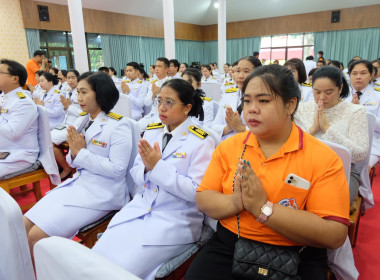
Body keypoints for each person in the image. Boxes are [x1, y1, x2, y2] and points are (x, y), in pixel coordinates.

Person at [186, 64, 349, 280]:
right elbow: (204, 199)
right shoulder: (229, 147)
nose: (252, 108)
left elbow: (334, 234)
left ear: (290, 105)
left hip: (295, 251)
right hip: (230, 244)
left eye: (263, 100)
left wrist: (263, 208)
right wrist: (237, 202)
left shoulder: (323, 157)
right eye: (247, 101)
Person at [92, 79, 216, 279]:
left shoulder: (202, 141)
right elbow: (135, 172)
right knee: (97, 258)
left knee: (123, 269)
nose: (161, 108)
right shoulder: (153, 130)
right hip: (140, 209)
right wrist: (149, 169)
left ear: (187, 108)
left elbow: (197, 192)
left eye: (169, 102)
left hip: (176, 219)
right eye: (159, 101)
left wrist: (157, 167)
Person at [24, 72, 134, 259]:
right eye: (78, 92)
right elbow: (73, 160)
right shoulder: (84, 119)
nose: (78, 98)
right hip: (80, 184)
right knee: (24, 223)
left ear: (100, 94)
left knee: (36, 238)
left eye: (83, 92)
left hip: (103, 191)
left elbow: (117, 170)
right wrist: (76, 154)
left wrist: (80, 153)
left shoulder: (119, 126)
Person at [294, 66, 369, 204]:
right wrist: (313, 129)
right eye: (317, 92)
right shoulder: (303, 108)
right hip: (305, 167)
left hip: (342, 170)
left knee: (331, 204)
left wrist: (328, 129)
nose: (322, 97)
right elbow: (292, 143)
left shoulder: (355, 111)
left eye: (329, 92)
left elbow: (360, 154)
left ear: (340, 88)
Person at [0, 59, 39, 177]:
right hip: (6, 148)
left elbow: (13, 133)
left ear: (15, 78)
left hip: (18, 155)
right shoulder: (5, 97)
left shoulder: (23, 103)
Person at [212, 56, 262, 140]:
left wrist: (241, 128)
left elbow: (268, 129)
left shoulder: (263, 100)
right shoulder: (227, 97)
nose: (240, 76)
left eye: (246, 71)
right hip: (226, 146)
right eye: (238, 71)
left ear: (258, 74)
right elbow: (214, 126)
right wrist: (228, 128)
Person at [50, 69, 81, 180]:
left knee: (50, 141)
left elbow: (83, 113)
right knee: (46, 137)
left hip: (76, 126)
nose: (70, 80)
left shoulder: (81, 93)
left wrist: (69, 107)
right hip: (65, 123)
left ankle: (66, 169)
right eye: (68, 78)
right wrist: (66, 107)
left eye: (73, 77)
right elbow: (67, 111)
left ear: (78, 78)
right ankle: (58, 166)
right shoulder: (68, 92)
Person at [349, 60, 380, 168]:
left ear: (371, 75)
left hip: (372, 143)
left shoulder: (377, 96)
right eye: (354, 73)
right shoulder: (341, 95)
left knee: (362, 169)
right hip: (346, 139)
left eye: (363, 73)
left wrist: (362, 111)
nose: (358, 77)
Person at [138, 57, 171, 131]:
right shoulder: (153, 83)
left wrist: (160, 92)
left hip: (164, 115)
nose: (156, 69)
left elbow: (171, 102)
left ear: (166, 69)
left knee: (154, 131)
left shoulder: (171, 83)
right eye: (156, 66)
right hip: (152, 115)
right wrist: (153, 94)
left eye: (159, 66)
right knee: (135, 128)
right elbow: (146, 103)